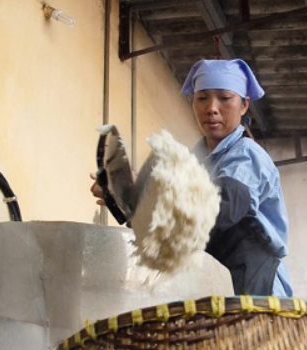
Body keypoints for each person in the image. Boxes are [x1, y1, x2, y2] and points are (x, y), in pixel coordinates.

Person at [92, 58, 293, 297]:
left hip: (256, 282)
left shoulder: (247, 155)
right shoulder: (195, 162)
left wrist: (155, 190)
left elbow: (224, 208)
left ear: (244, 105)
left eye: (225, 98)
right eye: (202, 97)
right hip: (216, 282)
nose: (211, 108)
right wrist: (131, 198)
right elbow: (172, 229)